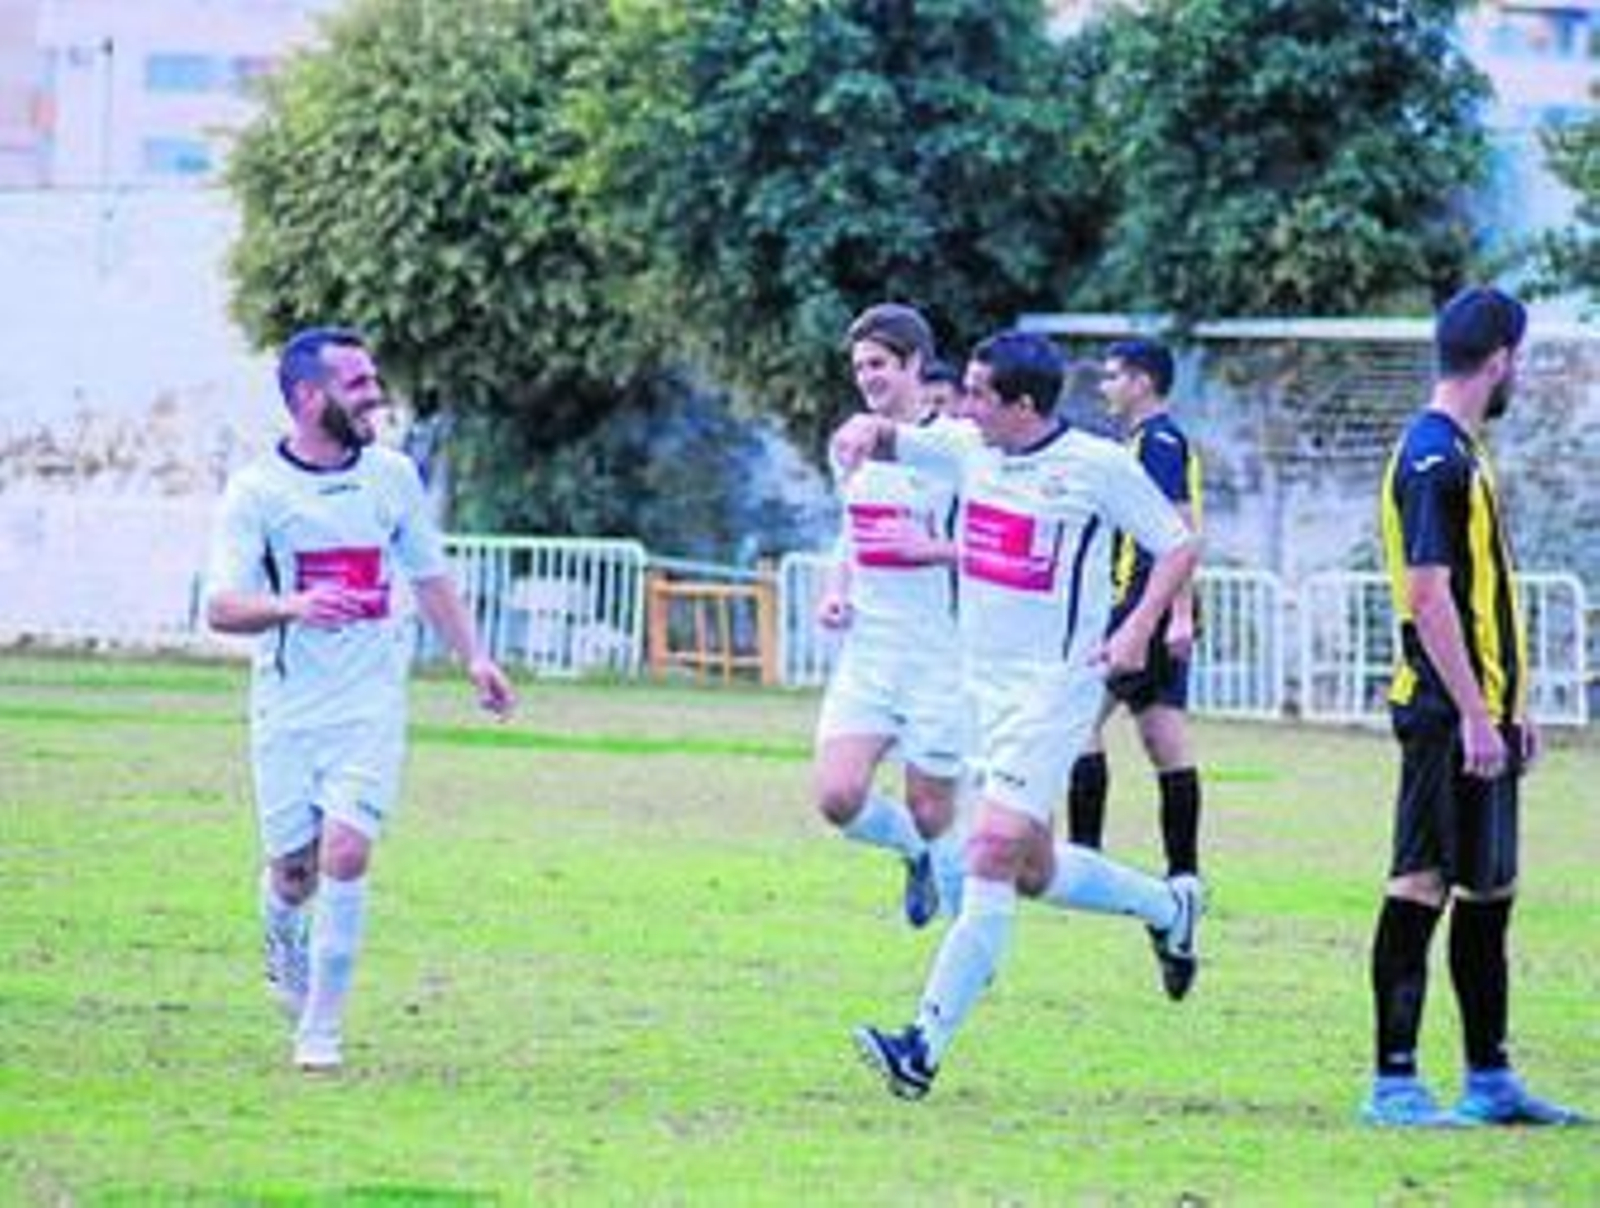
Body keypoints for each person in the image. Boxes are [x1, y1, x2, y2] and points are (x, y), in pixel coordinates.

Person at [835, 329, 1204, 1100]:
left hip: (1053, 691)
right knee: (1033, 869)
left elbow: (1177, 545)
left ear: (1023, 406)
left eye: (977, 393)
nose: (961, 405)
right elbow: (891, 440)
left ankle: (922, 1046)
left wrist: (1135, 630)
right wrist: (863, 431)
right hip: (976, 688)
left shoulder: (1098, 467)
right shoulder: (972, 446)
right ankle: (1169, 907)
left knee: (992, 851)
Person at [205, 326, 516, 1074]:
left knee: (347, 850)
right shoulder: (257, 492)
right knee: (294, 868)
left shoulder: (391, 476)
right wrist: (296, 605)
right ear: (308, 397)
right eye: (357, 384)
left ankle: (321, 1030)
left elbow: (431, 577)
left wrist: (473, 657)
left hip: (371, 704)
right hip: (287, 708)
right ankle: (283, 932)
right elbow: (221, 608)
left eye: (374, 379)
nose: (375, 395)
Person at [1360, 287, 1586, 1128]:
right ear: (1499, 359)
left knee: (1491, 888)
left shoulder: (1463, 451)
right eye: (1518, 358)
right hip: (1443, 715)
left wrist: (1512, 701)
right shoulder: (1432, 457)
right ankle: (1394, 1083)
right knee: (1421, 882)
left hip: (1483, 712)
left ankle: (1490, 1080)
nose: (1517, 372)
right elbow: (1429, 595)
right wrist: (1474, 713)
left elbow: (1487, 597)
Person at [813, 303, 967, 927]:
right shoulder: (846, 445)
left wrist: (932, 550)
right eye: (858, 368)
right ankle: (914, 855)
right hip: (870, 652)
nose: (867, 377)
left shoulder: (958, 448)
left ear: (913, 365)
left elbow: (991, 548)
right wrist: (835, 589)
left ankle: (966, 931)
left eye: (878, 364)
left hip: (942, 656)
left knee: (933, 810)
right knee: (836, 796)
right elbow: (849, 533)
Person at [1065, 338, 1205, 1000]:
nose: (1105, 386)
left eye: (1114, 375)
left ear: (1143, 382)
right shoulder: (1151, 440)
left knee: (1077, 722)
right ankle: (1185, 881)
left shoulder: (1158, 443)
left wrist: (1174, 614)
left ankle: (1085, 859)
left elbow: (1180, 527)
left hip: (1139, 612)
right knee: (1163, 740)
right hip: (1142, 610)